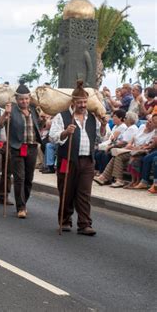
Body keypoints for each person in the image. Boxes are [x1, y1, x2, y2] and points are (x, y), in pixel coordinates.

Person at [49, 80, 107, 236]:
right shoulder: (62, 117)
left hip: (87, 160)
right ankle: (65, 220)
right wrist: (65, 132)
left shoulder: (93, 118)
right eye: (80, 102)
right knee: (66, 191)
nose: (82, 105)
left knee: (84, 193)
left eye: (84, 102)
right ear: (73, 102)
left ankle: (84, 224)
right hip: (66, 160)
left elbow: (100, 139)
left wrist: (102, 127)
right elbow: (52, 137)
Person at [1, 80, 42, 218]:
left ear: (29, 99)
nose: (24, 101)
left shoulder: (34, 111)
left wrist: (44, 120)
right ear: (16, 99)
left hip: (32, 148)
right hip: (17, 148)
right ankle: (21, 207)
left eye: (26, 99)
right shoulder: (11, 110)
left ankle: (23, 201)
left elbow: (39, 126)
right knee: (19, 178)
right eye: (21, 99)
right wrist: (4, 115)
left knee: (29, 179)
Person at [94, 116, 155, 188]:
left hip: (138, 152)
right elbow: (134, 137)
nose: (147, 123)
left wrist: (135, 147)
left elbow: (146, 146)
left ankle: (110, 178)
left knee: (118, 156)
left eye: (150, 122)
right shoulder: (142, 127)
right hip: (130, 149)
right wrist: (130, 144)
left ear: (155, 125)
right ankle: (108, 178)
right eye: (148, 120)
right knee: (115, 155)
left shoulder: (153, 133)